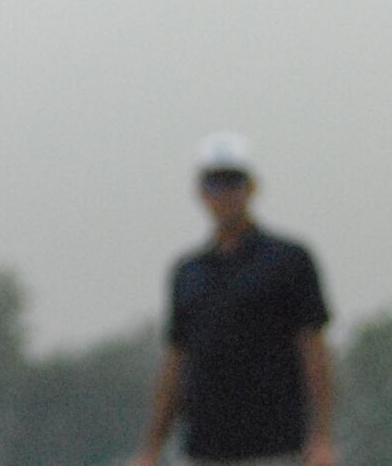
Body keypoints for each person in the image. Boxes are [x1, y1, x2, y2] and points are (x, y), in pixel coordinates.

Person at [130, 133, 337, 466]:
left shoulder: (289, 261)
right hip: (205, 449)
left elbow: (314, 351)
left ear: (251, 187)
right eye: (214, 184)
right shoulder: (188, 272)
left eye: (233, 182)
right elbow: (176, 364)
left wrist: (322, 437)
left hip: (276, 448)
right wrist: (151, 448)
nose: (224, 194)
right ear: (201, 191)